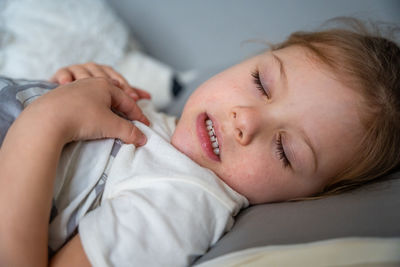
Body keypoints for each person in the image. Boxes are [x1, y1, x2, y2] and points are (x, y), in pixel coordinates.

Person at [0, 20, 399, 266]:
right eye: (261, 82)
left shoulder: (182, 205)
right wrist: (68, 87)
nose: (247, 119)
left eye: (285, 151)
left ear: (306, 197)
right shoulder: (158, 118)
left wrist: (48, 119)